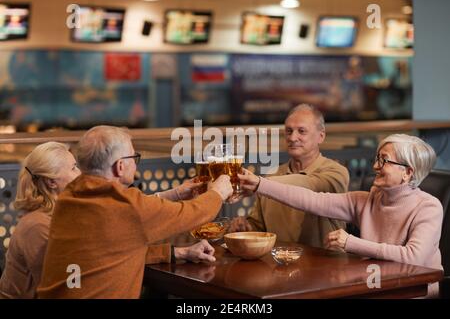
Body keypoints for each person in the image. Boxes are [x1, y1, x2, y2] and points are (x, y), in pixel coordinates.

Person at [37, 126, 233, 299]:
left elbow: (110, 253)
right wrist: (218, 192)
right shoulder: (127, 206)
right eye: (134, 157)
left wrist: (179, 252)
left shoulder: (69, 198)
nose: (136, 163)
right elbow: (193, 213)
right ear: (120, 166)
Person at [239, 134, 443, 296]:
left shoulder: (429, 207)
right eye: (377, 159)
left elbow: (413, 257)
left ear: (407, 172)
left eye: (384, 161)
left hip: (413, 291)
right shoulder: (367, 200)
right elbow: (312, 200)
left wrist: (351, 243)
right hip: (374, 285)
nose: (375, 167)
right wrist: (259, 184)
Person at [229, 104, 349, 248]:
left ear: (321, 136)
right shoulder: (271, 176)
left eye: (302, 131)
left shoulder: (336, 172)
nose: (293, 137)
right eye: (289, 131)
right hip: (279, 264)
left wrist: (260, 183)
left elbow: (310, 184)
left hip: (325, 266)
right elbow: (259, 227)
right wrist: (245, 227)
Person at [0, 142, 81, 299]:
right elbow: (61, 288)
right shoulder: (37, 226)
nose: (80, 173)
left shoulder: (59, 215)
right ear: (52, 182)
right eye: (74, 168)